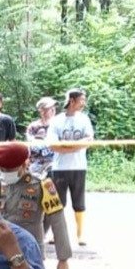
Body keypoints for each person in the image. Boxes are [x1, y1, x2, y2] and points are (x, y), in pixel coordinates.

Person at [48, 88, 94, 245]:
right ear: (72, 101)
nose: (83, 103)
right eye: (81, 100)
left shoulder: (84, 119)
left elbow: (89, 140)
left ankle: (80, 235)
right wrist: (75, 146)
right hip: (59, 168)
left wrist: (69, 147)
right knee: (58, 203)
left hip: (79, 167)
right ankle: (57, 234)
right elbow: (53, 145)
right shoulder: (57, 120)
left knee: (79, 202)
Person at [25, 96, 57, 170]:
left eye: (54, 107)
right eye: (50, 108)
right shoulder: (33, 127)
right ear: (41, 110)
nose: (53, 110)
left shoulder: (59, 125)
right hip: (37, 165)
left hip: (56, 164)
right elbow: (31, 147)